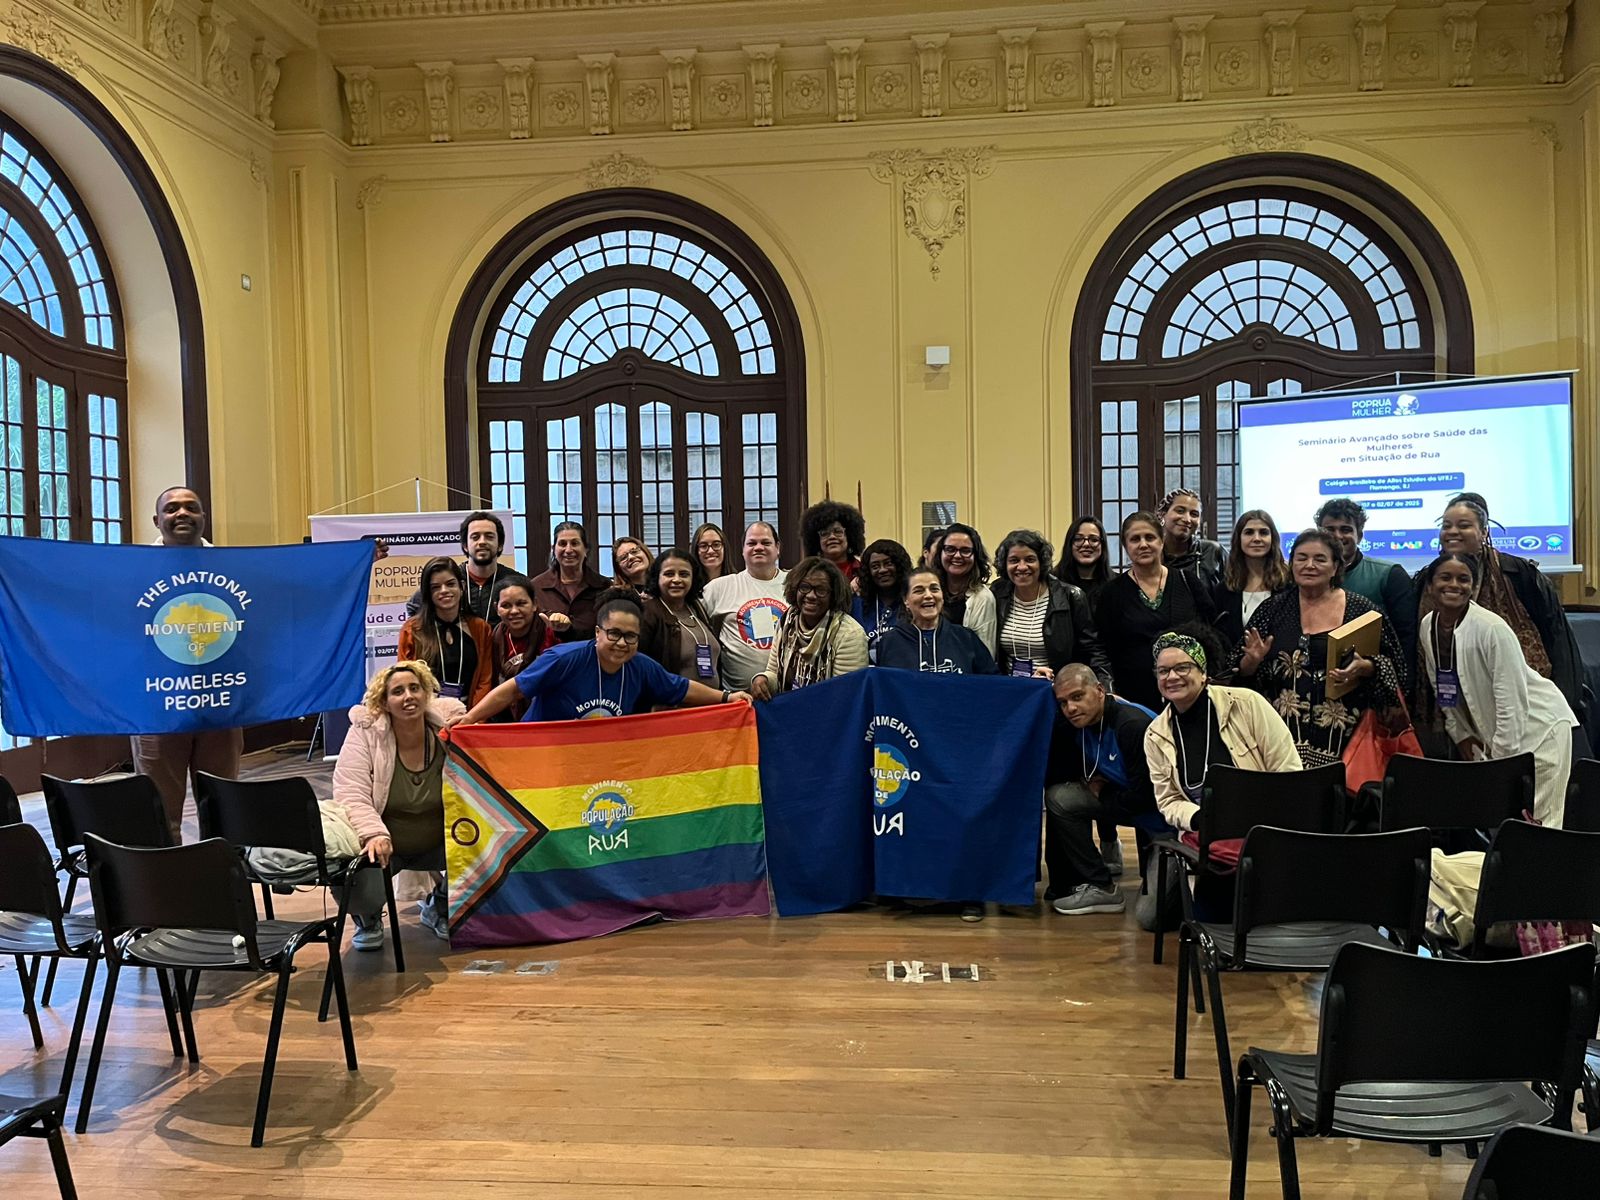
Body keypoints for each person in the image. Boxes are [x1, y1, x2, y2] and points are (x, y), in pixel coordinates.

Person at [1418, 552, 1577, 825]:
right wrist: (1461, 735)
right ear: (1430, 586)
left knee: (1539, 824)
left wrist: (1500, 764)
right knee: (1504, 823)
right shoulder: (1428, 626)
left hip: (1539, 729)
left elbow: (1511, 703)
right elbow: (1443, 687)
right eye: (1445, 578)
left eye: (1463, 579)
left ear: (1473, 586)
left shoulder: (1492, 629)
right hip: (1497, 737)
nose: (1454, 585)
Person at [1233, 529, 1405, 768]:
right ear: (1291, 564)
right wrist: (1251, 662)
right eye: (1301, 558)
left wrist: (1366, 667)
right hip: (1279, 740)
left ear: (1336, 567)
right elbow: (1237, 674)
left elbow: (1394, 666)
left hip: (1347, 744)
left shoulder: (1362, 611)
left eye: (1320, 559)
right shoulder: (1271, 610)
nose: (1309, 565)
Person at [454, 590, 750, 723]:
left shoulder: (641, 666)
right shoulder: (563, 659)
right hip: (543, 753)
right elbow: (514, 690)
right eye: (613, 634)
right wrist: (470, 719)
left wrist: (726, 699)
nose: (622, 643)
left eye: (630, 636)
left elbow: (680, 688)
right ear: (597, 632)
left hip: (598, 757)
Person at [131, 485, 242, 841]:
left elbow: (294, 587)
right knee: (158, 809)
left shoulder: (234, 566)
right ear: (157, 520)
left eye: (191, 508)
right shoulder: (131, 571)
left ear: (203, 518)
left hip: (220, 701)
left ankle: (221, 875)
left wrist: (358, 560)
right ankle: (168, 881)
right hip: (157, 705)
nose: (182, 514)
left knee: (223, 803)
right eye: (172, 508)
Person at [332, 660, 464, 945]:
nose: (408, 697)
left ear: (426, 693)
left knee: (490, 845)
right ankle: (367, 919)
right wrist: (373, 833)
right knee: (354, 874)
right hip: (386, 845)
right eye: (398, 691)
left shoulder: (448, 732)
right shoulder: (364, 733)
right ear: (384, 702)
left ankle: (439, 906)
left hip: (440, 841)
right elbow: (349, 792)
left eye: (415, 688)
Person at [1422, 494, 1586, 722]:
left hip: (1528, 707)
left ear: (1484, 532)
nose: (1453, 532)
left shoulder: (1519, 574)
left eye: (1464, 525)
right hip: (1456, 708)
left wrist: (1567, 700)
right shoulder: (1426, 580)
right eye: (1446, 526)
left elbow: (1556, 638)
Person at [1145, 631, 1302, 834]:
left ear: (1203, 673)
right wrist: (1199, 818)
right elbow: (1168, 800)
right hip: (1205, 831)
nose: (1172, 677)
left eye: (1182, 668)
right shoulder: (1154, 734)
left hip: (1267, 824)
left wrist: (1272, 821)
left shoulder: (1247, 704)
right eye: (1163, 671)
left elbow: (1288, 770)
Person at [1044, 664, 1159, 915]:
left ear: (1099, 690)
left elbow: (1148, 800)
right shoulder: (1081, 722)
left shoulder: (1132, 725)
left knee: (1150, 916)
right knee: (1061, 798)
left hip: (1166, 821)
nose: (1070, 708)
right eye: (1063, 702)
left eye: (1077, 697)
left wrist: (1102, 793)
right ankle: (1100, 886)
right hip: (1129, 802)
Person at [1096, 511, 1216, 712]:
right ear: (1126, 546)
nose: (1143, 544)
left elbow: (1212, 633)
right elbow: (1102, 648)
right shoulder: (1111, 593)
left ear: (1162, 542)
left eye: (1150, 537)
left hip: (1189, 696)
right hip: (1133, 700)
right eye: (1135, 539)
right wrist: (1110, 691)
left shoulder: (1188, 582)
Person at [1316, 498, 1417, 685]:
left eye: (1346, 529)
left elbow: (1406, 639)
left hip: (1374, 684)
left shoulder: (1389, 575)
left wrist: (1401, 690)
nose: (1337, 536)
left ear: (1360, 535)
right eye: (1329, 530)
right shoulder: (1305, 578)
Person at [990, 529, 1112, 681]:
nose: (1022, 567)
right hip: (1013, 689)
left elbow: (1093, 651)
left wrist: (1106, 688)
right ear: (1004, 564)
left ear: (1041, 562)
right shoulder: (997, 593)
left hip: (1057, 689)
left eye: (1029, 559)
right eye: (1014, 560)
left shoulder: (1071, 597)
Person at [751, 557, 869, 698]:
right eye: (805, 587)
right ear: (795, 589)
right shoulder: (787, 620)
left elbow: (846, 695)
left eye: (821, 590)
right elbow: (774, 672)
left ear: (834, 594)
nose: (811, 596)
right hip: (789, 710)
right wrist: (762, 680)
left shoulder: (849, 634)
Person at [702, 521, 789, 691]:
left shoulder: (795, 583)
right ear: (742, 550)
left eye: (765, 542)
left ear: (778, 548)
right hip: (738, 698)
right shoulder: (719, 587)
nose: (758, 547)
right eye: (751, 543)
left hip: (789, 694)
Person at [397, 556, 493, 706]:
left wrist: (474, 720)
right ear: (427, 593)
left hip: (470, 719)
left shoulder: (481, 628)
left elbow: (484, 681)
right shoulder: (412, 629)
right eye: (435, 587)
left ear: (461, 586)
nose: (444, 591)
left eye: (450, 584)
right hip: (426, 716)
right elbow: (405, 680)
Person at [404, 511, 527, 628]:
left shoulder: (516, 582)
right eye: (475, 537)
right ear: (465, 546)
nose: (482, 542)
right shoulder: (451, 579)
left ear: (500, 545)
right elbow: (414, 607)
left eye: (489, 537)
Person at [876, 567, 999, 674]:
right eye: (919, 590)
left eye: (934, 589)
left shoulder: (966, 638)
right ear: (906, 600)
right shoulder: (890, 642)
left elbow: (991, 682)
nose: (928, 595)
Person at [639, 547, 723, 688]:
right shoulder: (648, 613)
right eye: (669, 574)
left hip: (712, 704)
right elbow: (639, 666)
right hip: (673, 706)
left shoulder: (697, 608)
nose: (677, 580)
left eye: (684, 574)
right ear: (657, 577)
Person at [489, 577, 567, 722]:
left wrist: (563, 630)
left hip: (550, 716)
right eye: (505, 605)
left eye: (521, 603)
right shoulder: (495, 637)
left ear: (535, 604)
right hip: (507, 717)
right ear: (496, 609)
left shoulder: (550, 632)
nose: (514, 611)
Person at [1216, 509, 1291, 646]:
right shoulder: (1223, 590)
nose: (1256, 538)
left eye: (1263, 532)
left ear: (1273, 538)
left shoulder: (1290, 584)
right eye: (1249, 532)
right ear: (1238, 539)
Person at [530, 521, 610, 643]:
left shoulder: (604, 586)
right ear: (554, 549)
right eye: (562, 544)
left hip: (593, 656)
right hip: (551, 657)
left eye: (575, 543)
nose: (568, 550)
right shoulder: (536, 586)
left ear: (586, 549)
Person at [931, 523, 997, 655]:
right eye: (950, 549)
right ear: (941, 553)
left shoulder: (983, 598)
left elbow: (985, 654)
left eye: (965, 551)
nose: (957, 556)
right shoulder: (930, 591)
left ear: (976, 556)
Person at [852, 538, 913, 662]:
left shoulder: (913, 602)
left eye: (888, 563)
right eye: (875, 566)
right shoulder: (857, 605)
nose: (882, 570)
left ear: (900, 566)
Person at [1157, 488, 1224, 581]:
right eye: (1180, 511)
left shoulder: (1212, 551)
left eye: (1194, 514)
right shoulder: (1151, 553)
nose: (1187, 519)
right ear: (1162, 514)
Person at [799, 500, 866, 583]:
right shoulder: (806, 573)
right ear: (816, 540)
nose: (832, 537)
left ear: (849, 536)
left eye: (838, 531)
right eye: (824, 533)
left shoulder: (863, 571)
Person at [1054, 516, 1112, 605]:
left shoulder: (1115, 584)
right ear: (1069, 544)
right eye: (1078, 539)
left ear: (1102, 545)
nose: (1086, 544)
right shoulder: (1052, 583)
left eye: (1094, 539)